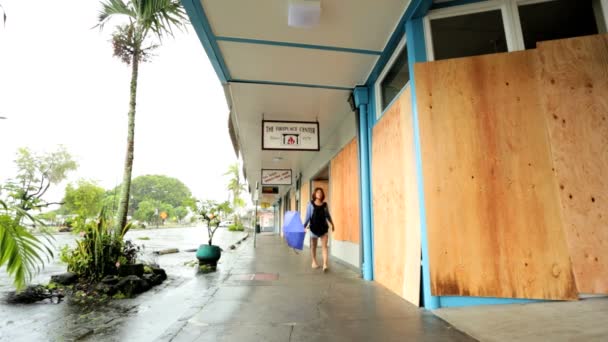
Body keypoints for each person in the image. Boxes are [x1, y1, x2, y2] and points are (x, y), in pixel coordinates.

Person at [302, 187, 335, 272]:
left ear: (322, 194)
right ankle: (314, 262)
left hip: (324, 228)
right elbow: (308, 216)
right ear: (315, 194)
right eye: (317, 193)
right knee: (314, 246)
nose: (319, 194)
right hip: (313, 228)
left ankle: (325, 264)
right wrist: (304, 225)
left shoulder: (325, 205)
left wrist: (332, 223)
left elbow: (327, 215)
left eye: (320, 193)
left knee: (324, 246)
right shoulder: (310, 204)